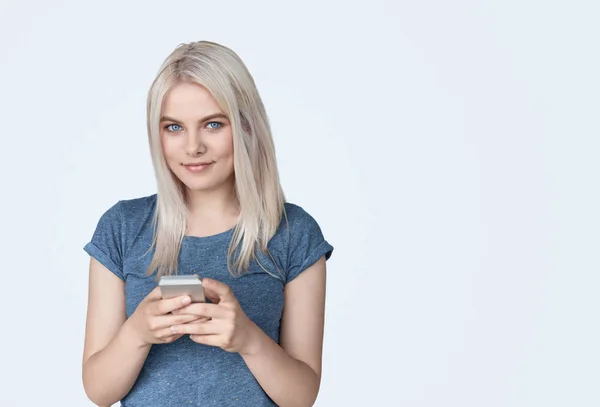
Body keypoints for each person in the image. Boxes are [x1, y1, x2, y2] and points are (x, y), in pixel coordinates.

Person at [81, 40, 334, 407]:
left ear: (246, 126)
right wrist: (137, 332)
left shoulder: (294, 233)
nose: (193, 146)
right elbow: (98, 391)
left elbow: (302, 396)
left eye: (213, 124)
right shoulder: (122, 228)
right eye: (174, 128)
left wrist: (247, 338)